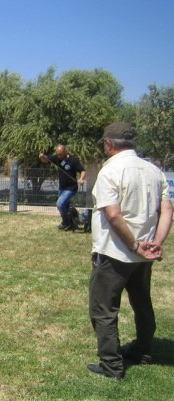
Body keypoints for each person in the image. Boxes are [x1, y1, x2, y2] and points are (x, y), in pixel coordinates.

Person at [87, 122, 172, 380]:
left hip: (114, 253)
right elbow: (167, 210)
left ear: (109, 144)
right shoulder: (153, 170)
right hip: (143, 256)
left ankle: (111, 366)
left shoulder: (110, 171)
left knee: (103, 309)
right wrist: (155, 243)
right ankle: (144, 351)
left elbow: (113, 215)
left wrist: (134, 244)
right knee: (142, 303)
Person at [39, 144, 86, 230]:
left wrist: (81, 178)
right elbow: (46, 160)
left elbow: (82, 170)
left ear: (65, 152)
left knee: (59, 204)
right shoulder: (57, 158)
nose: (59, 156)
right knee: (65, 207)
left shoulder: (73, 160)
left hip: (71, 188)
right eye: (58, 154)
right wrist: (42, 157)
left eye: (61, 154)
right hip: (62, 187)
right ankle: (72, 223)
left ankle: (66, 222)